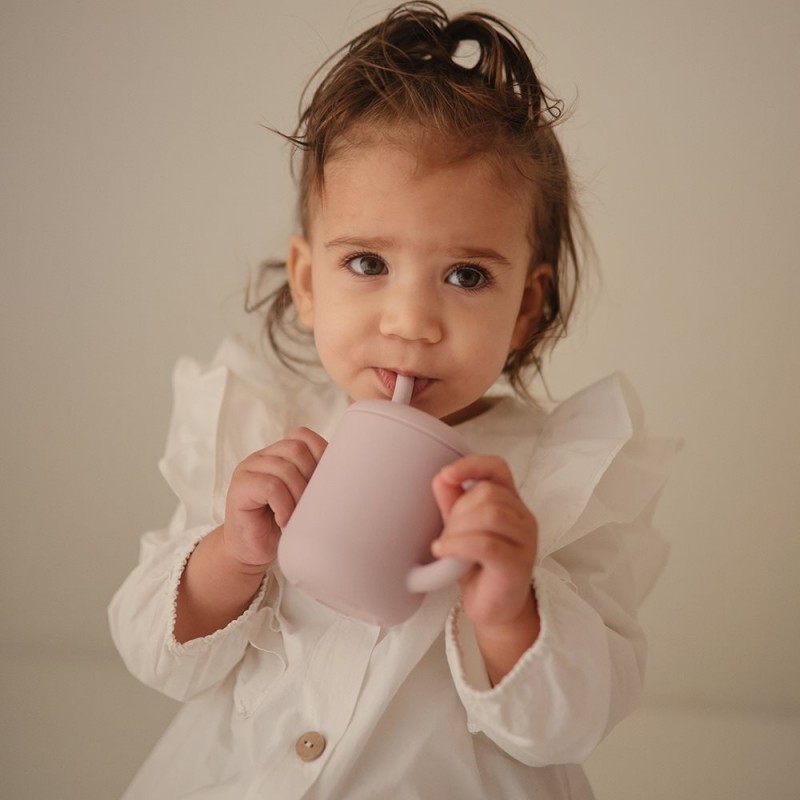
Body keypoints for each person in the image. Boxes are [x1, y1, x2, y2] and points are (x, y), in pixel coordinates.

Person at [109, 3, 676, 797]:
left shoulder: (556, 483)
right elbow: (150, 653)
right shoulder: (259, 433)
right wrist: (229, 557)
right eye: (368, 263)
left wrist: (510, 611)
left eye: (467, 275)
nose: (410, 322)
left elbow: (573, 722)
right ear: (308, 282)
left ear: (525, 308)